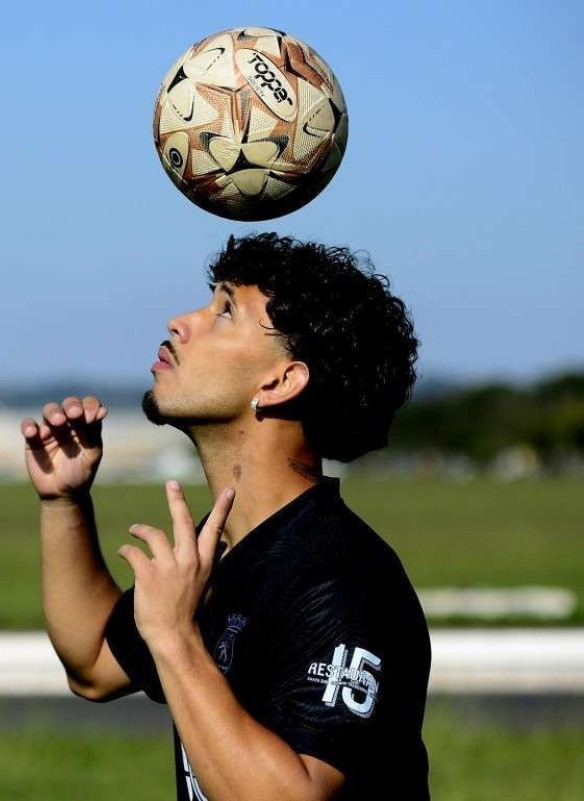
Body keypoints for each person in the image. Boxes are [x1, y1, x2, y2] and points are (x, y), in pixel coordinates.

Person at [21, 233, 429, 800]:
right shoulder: (225, 552)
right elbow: (91, 663)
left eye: (225, 311)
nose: (180, 321)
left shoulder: (342, 579)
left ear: (281, 381)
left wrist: (173, 633)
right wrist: (63, 501)